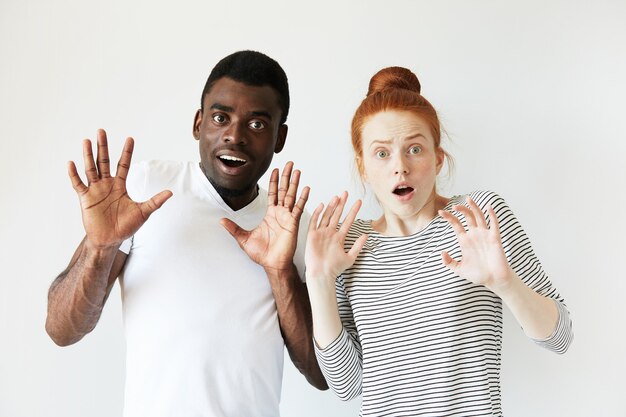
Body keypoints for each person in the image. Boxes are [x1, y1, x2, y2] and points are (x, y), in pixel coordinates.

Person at [45, 50, 327, 417]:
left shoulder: (294, 226)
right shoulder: (148, 187)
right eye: (220, 117)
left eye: (257, 124)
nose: (234, 136)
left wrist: (280, 271)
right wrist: (101, 247)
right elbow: (61, 330)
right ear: (198, 123)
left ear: (280, 137)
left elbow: (322, 375)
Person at [304, 66, 573, 416]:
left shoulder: (478, 217)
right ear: (364, 167)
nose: (400, 167)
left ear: (438, 158)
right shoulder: (347, 243)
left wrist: (505, 284)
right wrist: (319, 281)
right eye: (382, 153)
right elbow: (349, 385)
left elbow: (560, 337)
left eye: (414, 149)